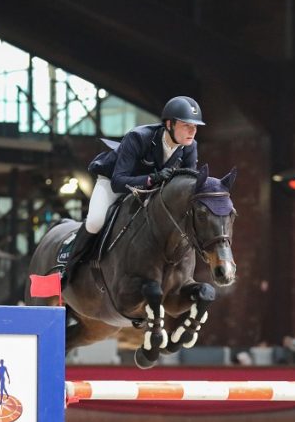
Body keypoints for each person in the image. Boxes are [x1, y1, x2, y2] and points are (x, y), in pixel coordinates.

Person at [62, 96, 205, 283]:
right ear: (169, 124)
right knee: (95, 221)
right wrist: (151, 178)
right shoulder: (138, 137)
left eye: (195, 127)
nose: (192, 131)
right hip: (113, 181)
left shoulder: (190, 147)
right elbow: (119, 181)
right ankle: (68, 270)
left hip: (152, 189)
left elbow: (187, 185)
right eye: (187, 125)